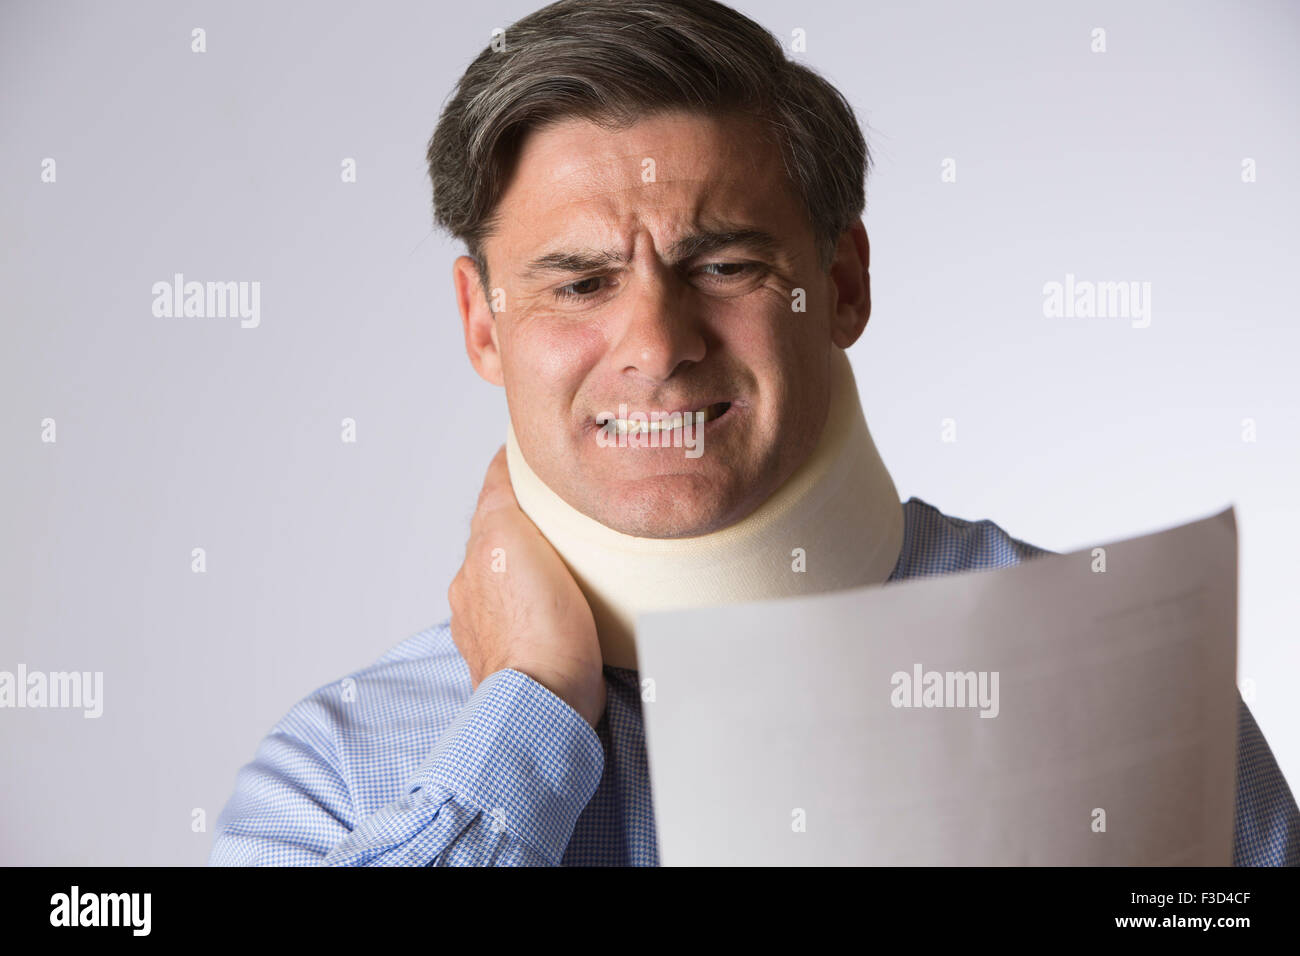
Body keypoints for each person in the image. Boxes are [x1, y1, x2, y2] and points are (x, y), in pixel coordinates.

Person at [209, 0, 1298, 866]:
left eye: (724, 265)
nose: (655, 341)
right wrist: (529, 706)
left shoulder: (1125, 672)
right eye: (580, 281)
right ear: (479, 325)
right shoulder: (343, 776)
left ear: (843, 282)